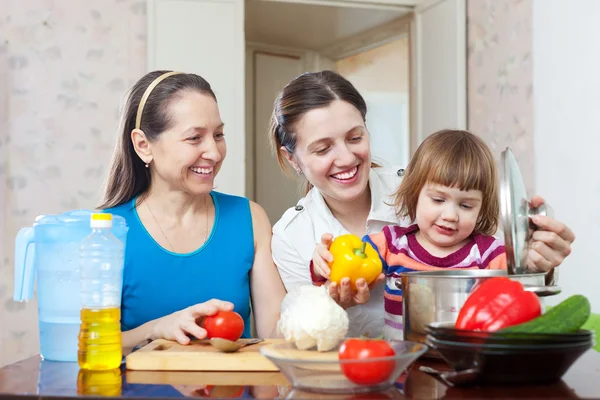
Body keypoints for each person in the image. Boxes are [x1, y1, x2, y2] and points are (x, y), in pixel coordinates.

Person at [270, 70, 575, 338]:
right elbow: (301, 332)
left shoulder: (426, 187)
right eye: (323, 148)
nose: (347, 158)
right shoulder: (291, 234)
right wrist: (327, 297)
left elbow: (501, 268)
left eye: (355, 137)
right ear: (291, 158)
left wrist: (536, 261)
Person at [99, 70, 286, 348]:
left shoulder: (249, 218)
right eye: (194, 138)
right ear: (143, 145)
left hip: (233, 390)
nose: (214, 152)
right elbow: (87, 346)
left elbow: (275, 335)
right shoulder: (105, 233)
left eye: (219, 134)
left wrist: (325, 300)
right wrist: (157, 328)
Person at [314, 129, 508, 340]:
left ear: (482, 208)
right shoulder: (392, 243)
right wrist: (323, 263)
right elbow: (347, 268)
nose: (450, 215)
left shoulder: (490, 253)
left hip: (468, 363)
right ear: (416, 194)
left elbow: (523, 287)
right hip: (403, 363)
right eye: (438, 200)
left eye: (466, 205)